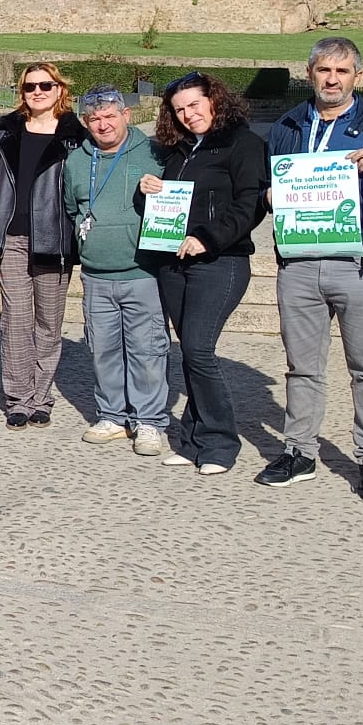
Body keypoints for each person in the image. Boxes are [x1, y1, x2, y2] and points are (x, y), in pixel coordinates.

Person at [258, 38, 363, 504]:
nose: (331, 79)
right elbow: (262, 184)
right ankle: (299, 450)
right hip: (298, 263)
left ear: (358, 75)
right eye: (323, 70)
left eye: (342, 71)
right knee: (301, 366)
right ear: (309, 73)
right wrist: (269, 198)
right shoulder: (287, 126)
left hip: (361, 264)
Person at [138, 71, 269, 476]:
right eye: (179, 110)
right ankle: (194, 440)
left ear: (214, 100)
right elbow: (162, 208)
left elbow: (251, 205)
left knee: (197, 349)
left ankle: (220, 444)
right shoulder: (177, 151)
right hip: (174, 263)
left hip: (221, 261)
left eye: (194, 104)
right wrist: (145, 191)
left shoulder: (244, 143)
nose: (188, 115)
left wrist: (208, 238)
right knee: (190, 352)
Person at [61, 86, 169, 457]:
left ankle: (149, 421)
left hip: (142, 272)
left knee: (146, 350)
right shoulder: (77, 161)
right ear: (86, 123)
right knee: (103, 349)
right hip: (96, 273)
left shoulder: (155, 153)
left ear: (126, 115)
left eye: (110, 116)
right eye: (95, 119)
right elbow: (73, 210)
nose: (103, 124)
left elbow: (178, 200)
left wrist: (161, 188)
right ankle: (111, 415)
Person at [0, 62, 87, 430]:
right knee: (16, 320)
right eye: (30, 87)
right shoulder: (4, 133)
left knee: (48, 321)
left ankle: (41, 396)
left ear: (59, 89)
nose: (37, 92)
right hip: (11, 236)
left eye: (45, 85)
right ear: (22, 92)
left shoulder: (76, 137)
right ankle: (18, 398)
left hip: (54, 240)